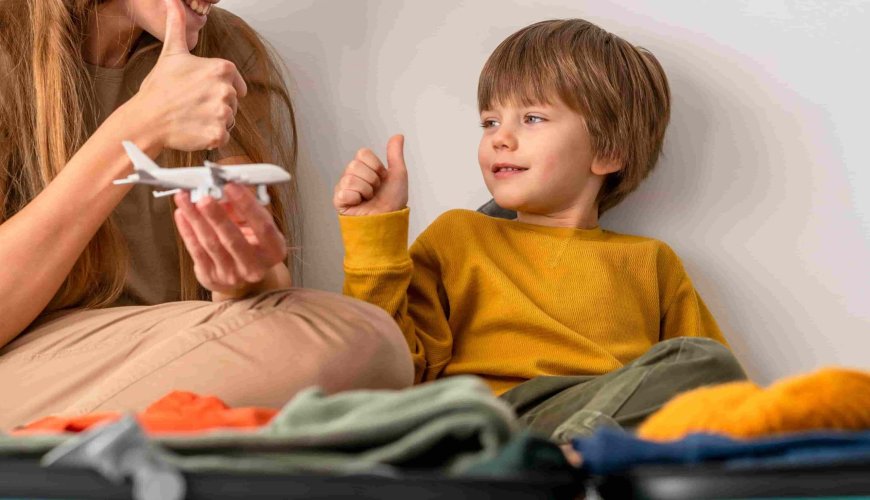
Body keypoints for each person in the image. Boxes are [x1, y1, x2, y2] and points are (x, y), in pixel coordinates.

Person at [0, 0, 413, 431]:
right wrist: (139, 126)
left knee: (360, 340)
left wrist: (244, 275)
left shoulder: (221, 47)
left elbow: (265, 301)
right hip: (23, 365)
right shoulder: (9, 41)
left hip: (167, 346)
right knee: (363, 342)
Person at [333, 19, 746, 442]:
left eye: (532, 118)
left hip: (599, 413)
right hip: (489, 417)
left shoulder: (651, 261)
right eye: (490, 122)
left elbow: (710, 387)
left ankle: (578, 447)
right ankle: (575, 451)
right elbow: (388, 370)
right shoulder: (459, 236)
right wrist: (375, 236)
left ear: (608, 151)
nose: (501, 138)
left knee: (708, 361)